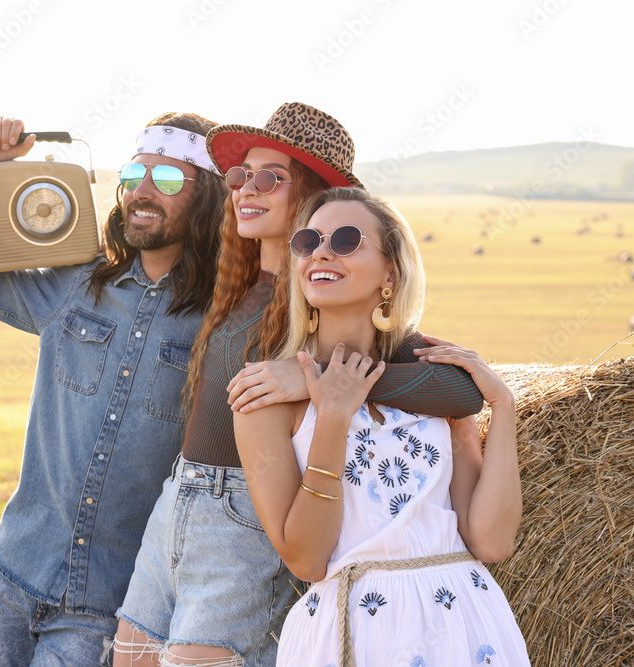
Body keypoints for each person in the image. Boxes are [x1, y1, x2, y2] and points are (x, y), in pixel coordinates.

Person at [113, 103, 486, 667]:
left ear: (313, 196)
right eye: (239, 176)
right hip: (180, 499)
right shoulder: (231, 279)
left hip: (249, 511)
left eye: (271, 178)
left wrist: (317, 381)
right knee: (130, 658)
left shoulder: (324, 299)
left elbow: (459, 391)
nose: (246, 189)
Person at [0, 112, 229, 666]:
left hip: (108, 601)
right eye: (134, 175)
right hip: (15, 569)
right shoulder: (77, 283)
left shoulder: (221, 319)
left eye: (168, 181)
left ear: (207, 198)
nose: (143, 192)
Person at [233, 186, 530, 666]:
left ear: (390, 273)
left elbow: (491, 541)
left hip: (466, 625)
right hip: (353, 633)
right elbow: (307, 559)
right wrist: (331, 416)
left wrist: (504, 405)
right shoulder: (267, 397)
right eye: (308, 241)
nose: (321, 252)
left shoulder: (432, 385)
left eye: (347, 240)